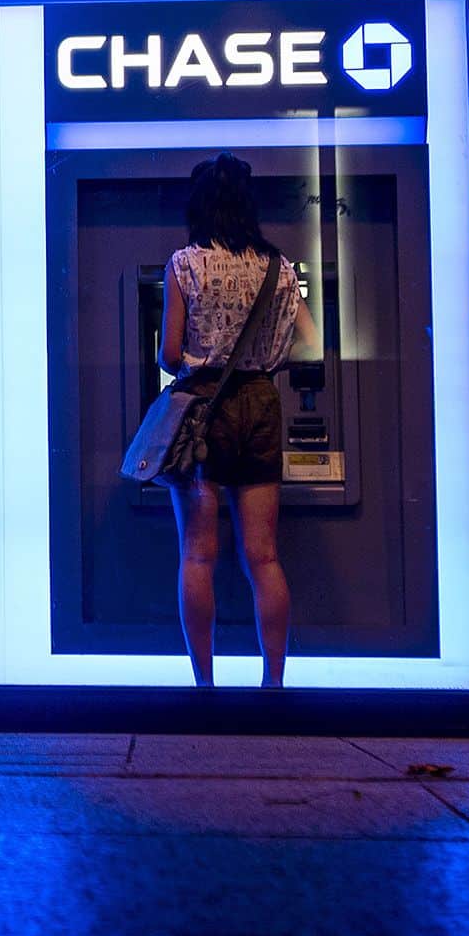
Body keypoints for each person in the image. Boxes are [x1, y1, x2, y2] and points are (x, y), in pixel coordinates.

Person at [158, 154, 319, 687]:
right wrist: (267, 359)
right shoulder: (280, 269)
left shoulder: (185, 264)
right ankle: (273, 683)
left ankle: (205, 684)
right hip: (260, 403)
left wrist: (203, 358)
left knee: (198, 555)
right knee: (264, 556)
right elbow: (313, 344)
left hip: (202, 410)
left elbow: (169, 352)